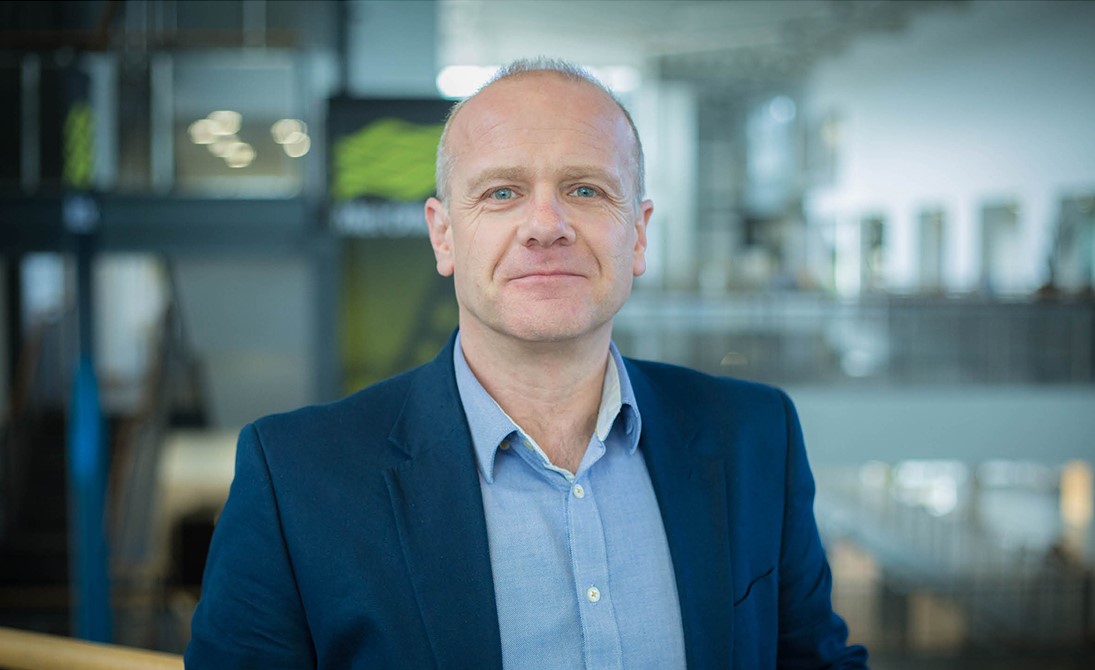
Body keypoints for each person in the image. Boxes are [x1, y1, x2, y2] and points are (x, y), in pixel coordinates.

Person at [186, 58, 868, 669]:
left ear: (638, 235)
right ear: (443, 234)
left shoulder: (754, 435)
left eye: (585, 190)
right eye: (502, 193)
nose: (546, 226)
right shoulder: (298, 476)